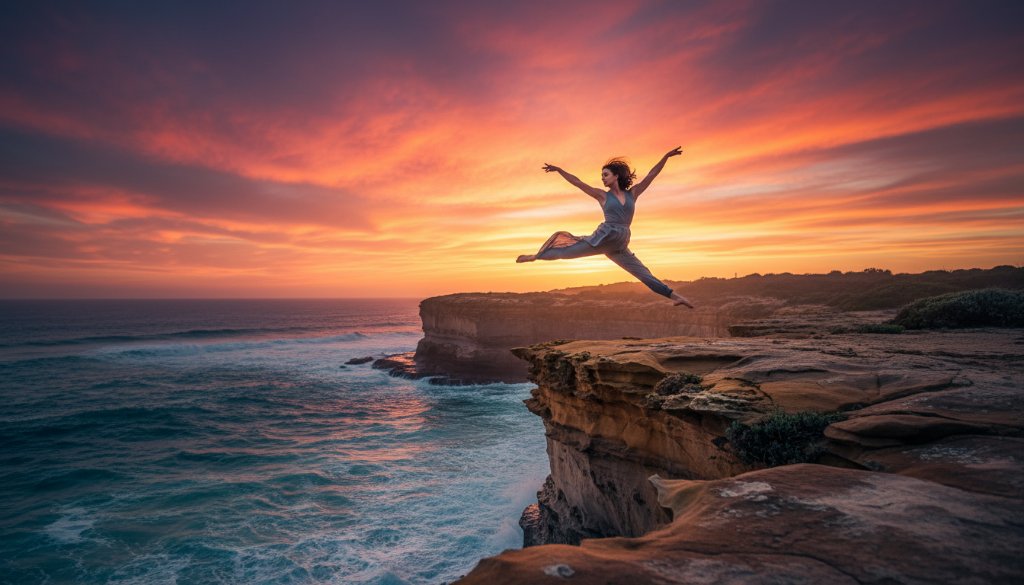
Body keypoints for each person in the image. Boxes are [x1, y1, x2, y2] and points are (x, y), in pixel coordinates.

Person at [516, 147, 694, 308]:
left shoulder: (633, 193)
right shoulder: (602, 196)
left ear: (616, 176)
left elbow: (651, 175)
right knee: (567, 251)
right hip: (604, 237)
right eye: (602, 175)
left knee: (643, 273)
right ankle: (535, 256)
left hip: (619, 245)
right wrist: (560, 170)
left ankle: (676, 297)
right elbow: (578, 183)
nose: (602, 178)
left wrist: (666, 157)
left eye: (605, 174)